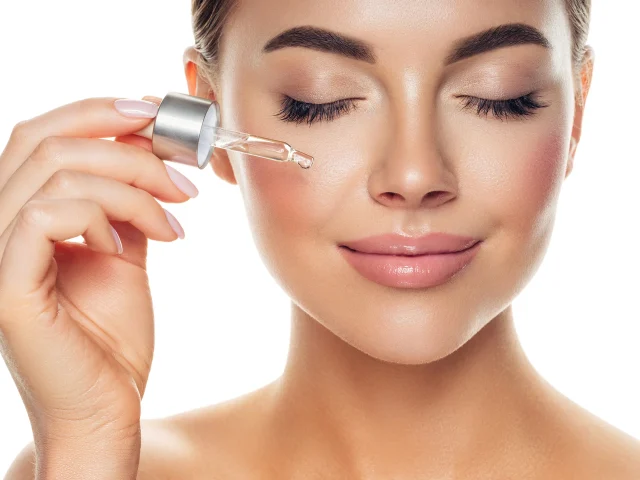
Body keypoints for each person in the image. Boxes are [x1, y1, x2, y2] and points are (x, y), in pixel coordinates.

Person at [2, 0, 639, 478]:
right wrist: (86, 438)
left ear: (576, 111)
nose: (414, 176)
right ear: (210, 117)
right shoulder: (87, 462)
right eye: (319, 102)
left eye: (499, 98)